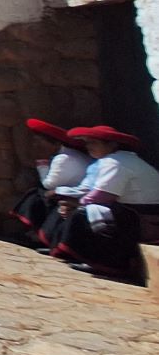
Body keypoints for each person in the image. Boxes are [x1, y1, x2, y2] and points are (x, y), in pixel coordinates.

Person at [46, 126, 159, 277]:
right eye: (87, 143)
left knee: (82, 214)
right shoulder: (120, 160)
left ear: (112, 145)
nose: (88, 147)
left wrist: (77, 204)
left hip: (139, 218)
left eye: (93, 143)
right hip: (135, 213)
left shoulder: (115, 162)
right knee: (75, 207)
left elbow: (103, 195)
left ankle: (105, 263)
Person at [11, 118, 92, 241]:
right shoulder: (68, 155)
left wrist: (42, 163)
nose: (35, 146)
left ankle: (39, 235)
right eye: (34, 143)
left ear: (56, 144)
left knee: (35, 197)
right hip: (74, 192)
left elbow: (49, 184)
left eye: (39, 143)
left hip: (77, 196)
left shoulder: (63, 159)